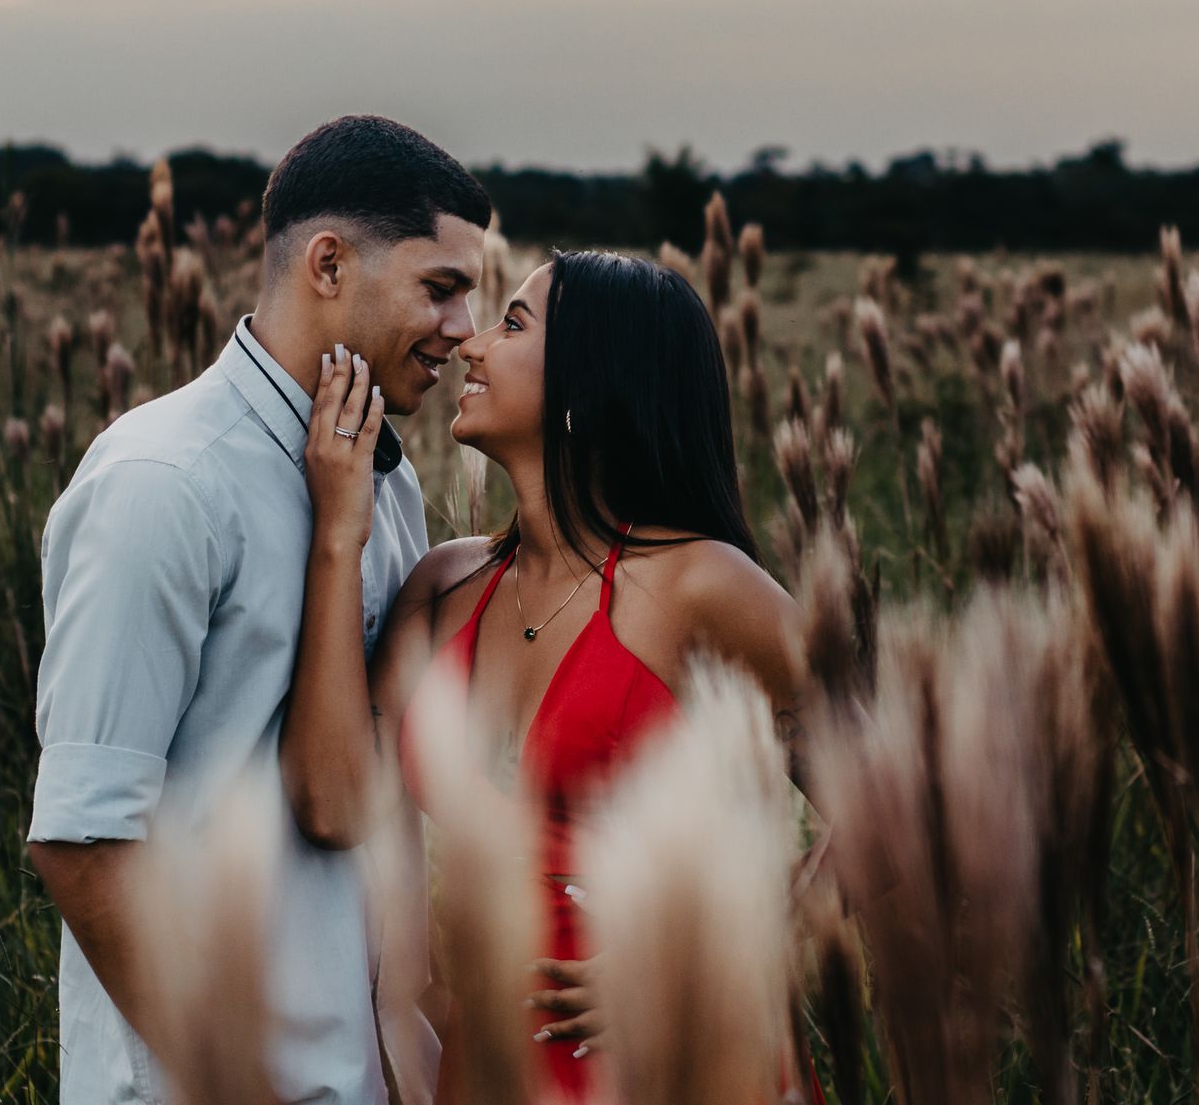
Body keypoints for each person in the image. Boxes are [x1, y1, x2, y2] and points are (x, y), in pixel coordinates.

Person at [25, 114, 491, 1103]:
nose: (464, 329)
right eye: (440, 288)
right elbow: (80, 841)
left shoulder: (388, 484)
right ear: (329, 263)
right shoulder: (164, 483)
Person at [283, 248, 821, 1102]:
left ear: (591, 380)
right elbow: (331, 803)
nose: (472, 345)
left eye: (514, 323)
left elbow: (888, 803)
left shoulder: (704, 588)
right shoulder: (442, 590)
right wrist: (336, 536)